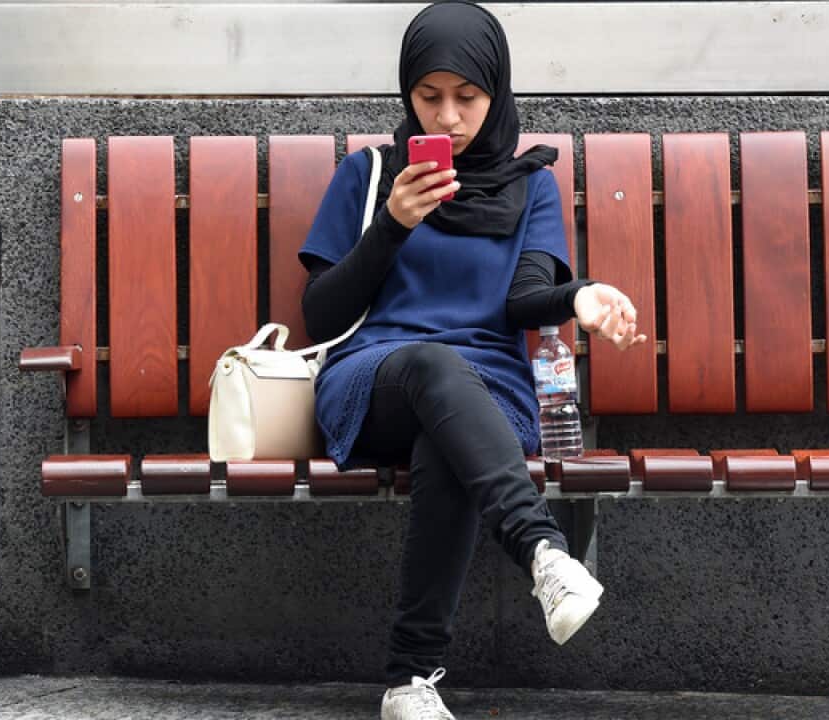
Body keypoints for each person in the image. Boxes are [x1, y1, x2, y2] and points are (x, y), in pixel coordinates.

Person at [298, 2, 648, 717]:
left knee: (447, 439)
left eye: (468, 97)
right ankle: (544, 552)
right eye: (429, 97)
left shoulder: (530, 186)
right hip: (375, 377)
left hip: (487, 391)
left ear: (498, 92)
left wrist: (577, 298)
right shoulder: (369, 176)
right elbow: (323, 315)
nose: (448, 118)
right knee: (431, 365)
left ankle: (408, 682)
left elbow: (524, 302)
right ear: (406, 94)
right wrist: (392, 226)